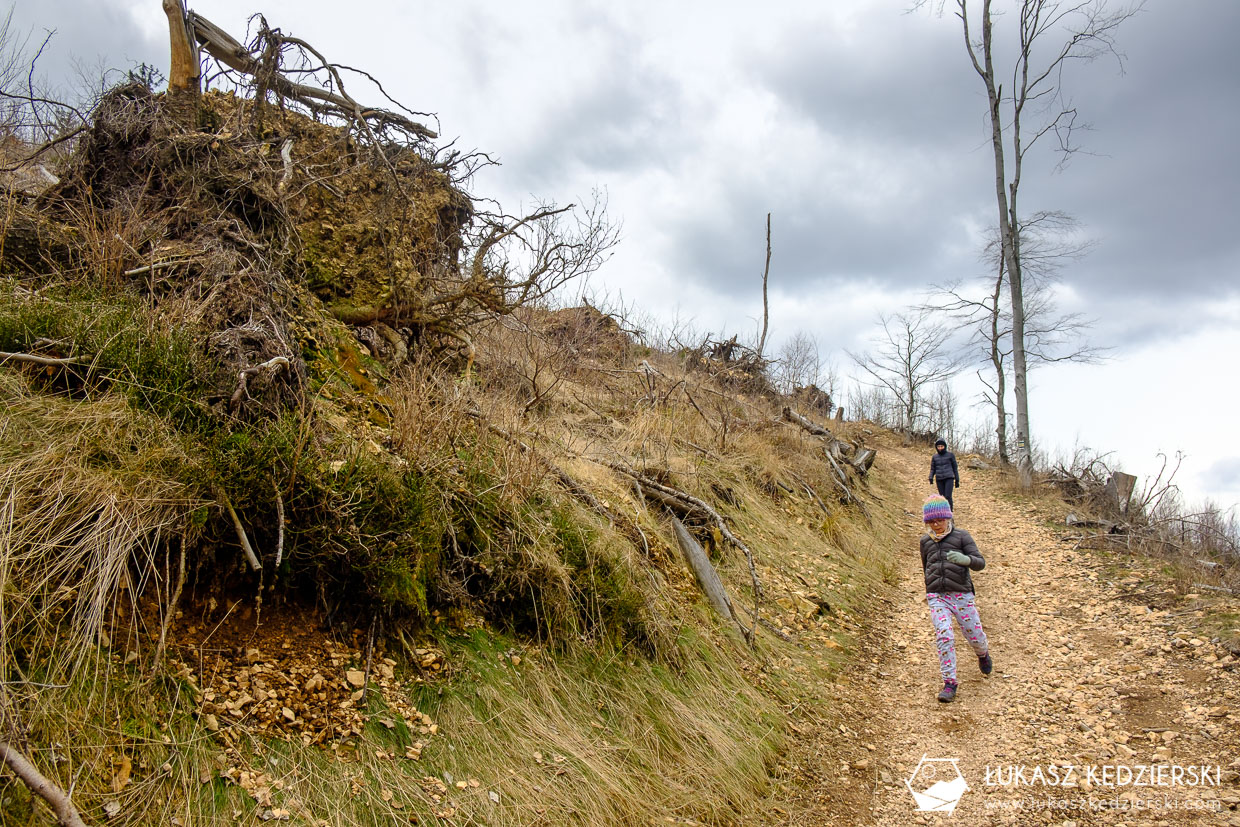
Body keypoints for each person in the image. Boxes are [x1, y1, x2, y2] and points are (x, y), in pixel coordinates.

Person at [919, 494, 992, 703]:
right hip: (937, 596)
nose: (936, 525)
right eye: (931, 521)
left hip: (961, 594)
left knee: (975, 636)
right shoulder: (925, 541)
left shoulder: (962, 537)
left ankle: (983, 654)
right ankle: (950, 683)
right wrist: (930, 589)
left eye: (939, 520)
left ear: (948, 518)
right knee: (944, 636)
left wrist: (965, 560)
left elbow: (980, 563)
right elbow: (926, 567)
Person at [928, 438, 960, 510]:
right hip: (939, 479)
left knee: (948, 496)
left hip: (949, 478)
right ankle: (944, 514)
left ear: (945, 446)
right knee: (942, 497)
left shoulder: (950, 455)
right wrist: (931, 477)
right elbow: (933, 468)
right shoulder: (935, 457)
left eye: (941, 446)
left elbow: (955, 468)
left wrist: (957, 479)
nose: (940, 448)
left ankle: (950, 514)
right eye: (938, 446)